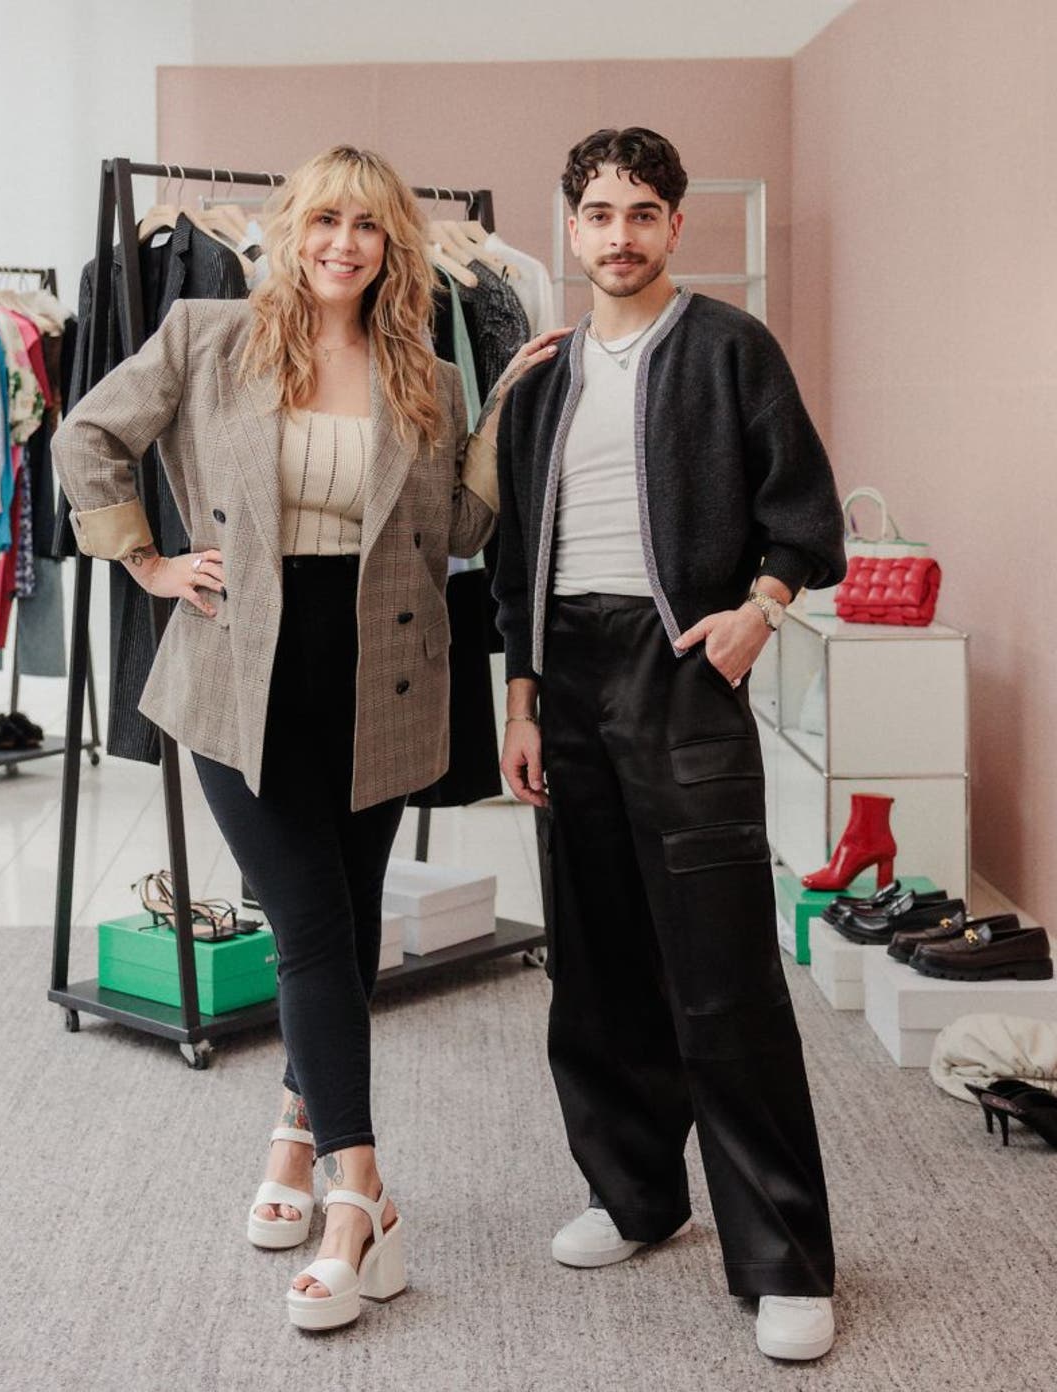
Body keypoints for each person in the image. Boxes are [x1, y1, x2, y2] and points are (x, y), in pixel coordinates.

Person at [54, 145, 562, 1333]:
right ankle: (361, 1195)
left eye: (368, 227)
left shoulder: (425, 370)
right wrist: (147, 560)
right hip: (241, 671)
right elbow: (87, 438)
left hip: (381, 673)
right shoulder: (205, 333)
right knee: (310, 928)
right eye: (324, 219)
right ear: (288, 231)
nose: (344, 242)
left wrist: (501, 412)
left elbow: (459, 526)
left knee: (340, 918)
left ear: (394, 248)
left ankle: (292, 1136)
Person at [493, 127, 847, 1362]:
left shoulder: (728, 348)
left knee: (721, 972)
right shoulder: (537, 375)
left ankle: (785, 1257)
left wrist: (759, 610)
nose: (619, 234)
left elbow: (805, 513)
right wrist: (522, 698)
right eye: (598, 212)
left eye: (642, 211)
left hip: (681, 666)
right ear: (570, 225)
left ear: (675, 226)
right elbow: (506, 558)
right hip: (566, 682)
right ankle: (633, 1195)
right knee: (591, 963)